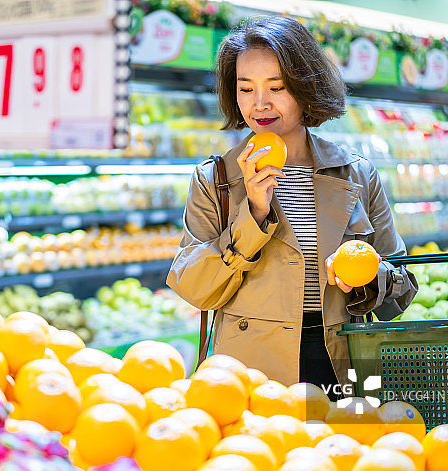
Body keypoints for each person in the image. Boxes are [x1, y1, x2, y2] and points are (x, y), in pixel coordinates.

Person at [166, 15, 417, 391]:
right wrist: (253, 214)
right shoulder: (216, 179)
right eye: (245, 89)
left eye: (277, 86)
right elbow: (195, 289)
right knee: (263, 449)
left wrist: (365, 274)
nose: (260, 104)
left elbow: (402, 289)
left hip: (345, 363)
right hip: (249, 369)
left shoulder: (356, 173)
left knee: (347, 449)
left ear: (306, 87)